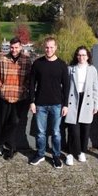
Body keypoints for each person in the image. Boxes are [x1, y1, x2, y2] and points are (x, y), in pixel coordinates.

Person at [28, 37, 70, 169]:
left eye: (51, 47)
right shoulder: (37, 63)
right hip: (40, 104)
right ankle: (40, 154)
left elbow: (67, 86)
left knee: (56, 132)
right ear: (44, 48)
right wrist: (32, 102)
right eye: (47, 47)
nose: (49, 49)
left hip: (57, 104)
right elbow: (31, 84)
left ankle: (56, 156)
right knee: (41, 132)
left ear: (56, 48)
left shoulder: (62, 65)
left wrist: (65, 105)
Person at [0, 37, 32, 160]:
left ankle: (0, 142)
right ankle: (8, 148)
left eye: (16, 47)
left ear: (21, 47)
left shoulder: (26, 60)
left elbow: (30, 77)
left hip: (20, 97)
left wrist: (24, 88)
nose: (14, 50)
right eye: (12, 47)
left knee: (15, 123)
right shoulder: (2, 59)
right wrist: (1, 86)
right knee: (4, 123)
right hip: (5, 96)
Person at [64, 46, 98, 166]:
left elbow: (95, 88)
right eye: (79, 55)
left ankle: (81, 152)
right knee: (73, 130)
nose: (81, 57)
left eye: (84, 55)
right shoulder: (70, 69)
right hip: (72, 101)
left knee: (85, 129)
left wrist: (96, 104)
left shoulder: (92, 70)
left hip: (87, 101)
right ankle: (70, 153)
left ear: (88, 56)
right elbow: (64, 87)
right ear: (76, 56)